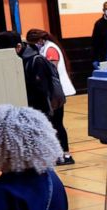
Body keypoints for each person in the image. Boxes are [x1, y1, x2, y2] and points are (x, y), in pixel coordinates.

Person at [24, 30, 75, 166]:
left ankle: (66, 154)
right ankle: (57, 154)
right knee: (53, 124)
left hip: (56, 93)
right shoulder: (45, 49)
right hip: (52, 92)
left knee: (57, 124)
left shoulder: (50, 49)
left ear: (40, 41)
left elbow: (52, 70)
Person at [0, 32, 58, 121]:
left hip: (40, 110)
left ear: (18, 47)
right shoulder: (14, 61)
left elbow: (43, 92)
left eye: (6, 50)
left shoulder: (36, 61)